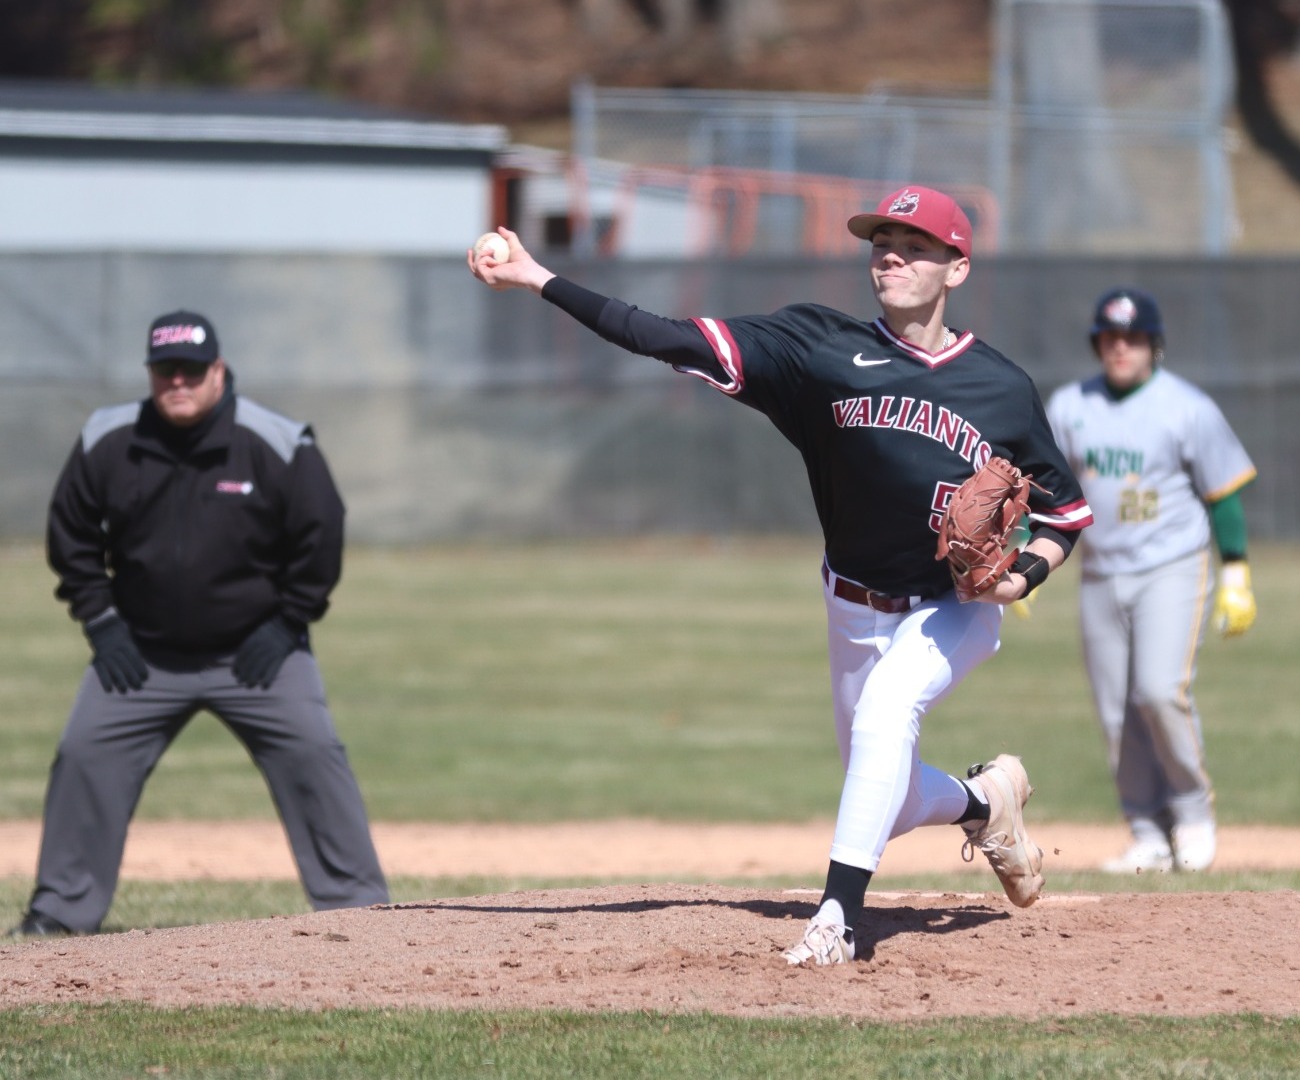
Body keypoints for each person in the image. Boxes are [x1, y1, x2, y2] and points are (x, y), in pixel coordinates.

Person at [469, 185, 1091, 967]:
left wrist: (1018, 579)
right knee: (886, 793)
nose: (890, 255)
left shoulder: (1000, 387)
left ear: (957, 268)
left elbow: (1066, 514)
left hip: (951, 609)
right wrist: (537, 276)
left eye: (915, 244)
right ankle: (985, 800)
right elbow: (661, 336)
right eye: (880, 242)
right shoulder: (816, 348)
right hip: (853, 605)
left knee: (885, 716)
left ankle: (836, 918)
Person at [8, 311, 389, 938]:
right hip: (140, 654)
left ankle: (361, 911)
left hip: (259, 653)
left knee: (315, 753)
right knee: (83, 754)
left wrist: (287, 622)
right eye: (165, 371)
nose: (177, 381)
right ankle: (60, 914)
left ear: (218, 371)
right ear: (151, 374)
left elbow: (321, 540)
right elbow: (70, 538)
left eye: (191, 369)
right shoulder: (110, 437)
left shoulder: (276, 441)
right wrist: (102, 625)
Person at [1044, 287, 1257, 874]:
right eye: (1109, 337)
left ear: (1153, 345)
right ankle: (1146, 831)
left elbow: (1224, 494)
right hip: (1099, 573)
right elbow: (1044, 488)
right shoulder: (1069, 406)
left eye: (1133, 338)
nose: (1120, 347)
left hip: (1171, 565)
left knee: (1160, 691)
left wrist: (1235, 572)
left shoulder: (1187, 408)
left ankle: (1192, 813)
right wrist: (1021, 556)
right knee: (1116, 709)